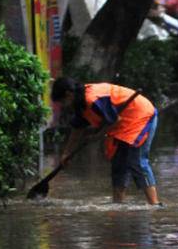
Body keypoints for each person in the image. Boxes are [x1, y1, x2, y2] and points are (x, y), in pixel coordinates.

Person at [51, 78, 161, 206]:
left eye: (62, 102)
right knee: (118, 162)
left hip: (140, 115)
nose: (63, 106)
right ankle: (117, 204)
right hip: (122, 123)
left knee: (136, 160)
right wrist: (66, 153)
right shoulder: (80, 103)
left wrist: (98, 135)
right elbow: (77, 128)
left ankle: (155, 204)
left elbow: (115, 120)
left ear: (68, 95)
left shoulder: (93, 99)